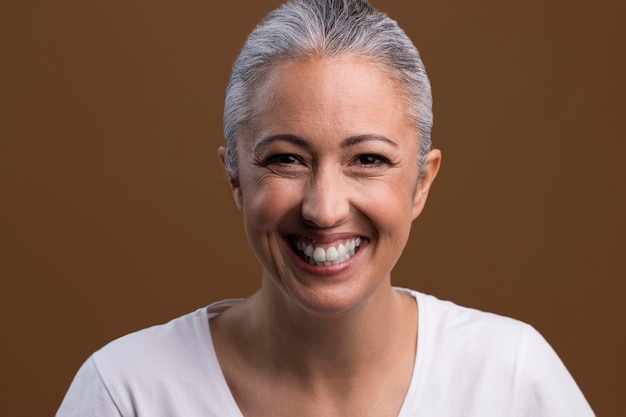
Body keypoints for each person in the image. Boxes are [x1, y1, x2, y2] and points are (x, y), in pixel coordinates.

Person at [57, 0, 594, 416]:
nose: (324, 208)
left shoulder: (510, 379)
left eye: (368, 159)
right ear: (235, 176)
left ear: (422, 183)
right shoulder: (126, 392)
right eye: (287, 159)